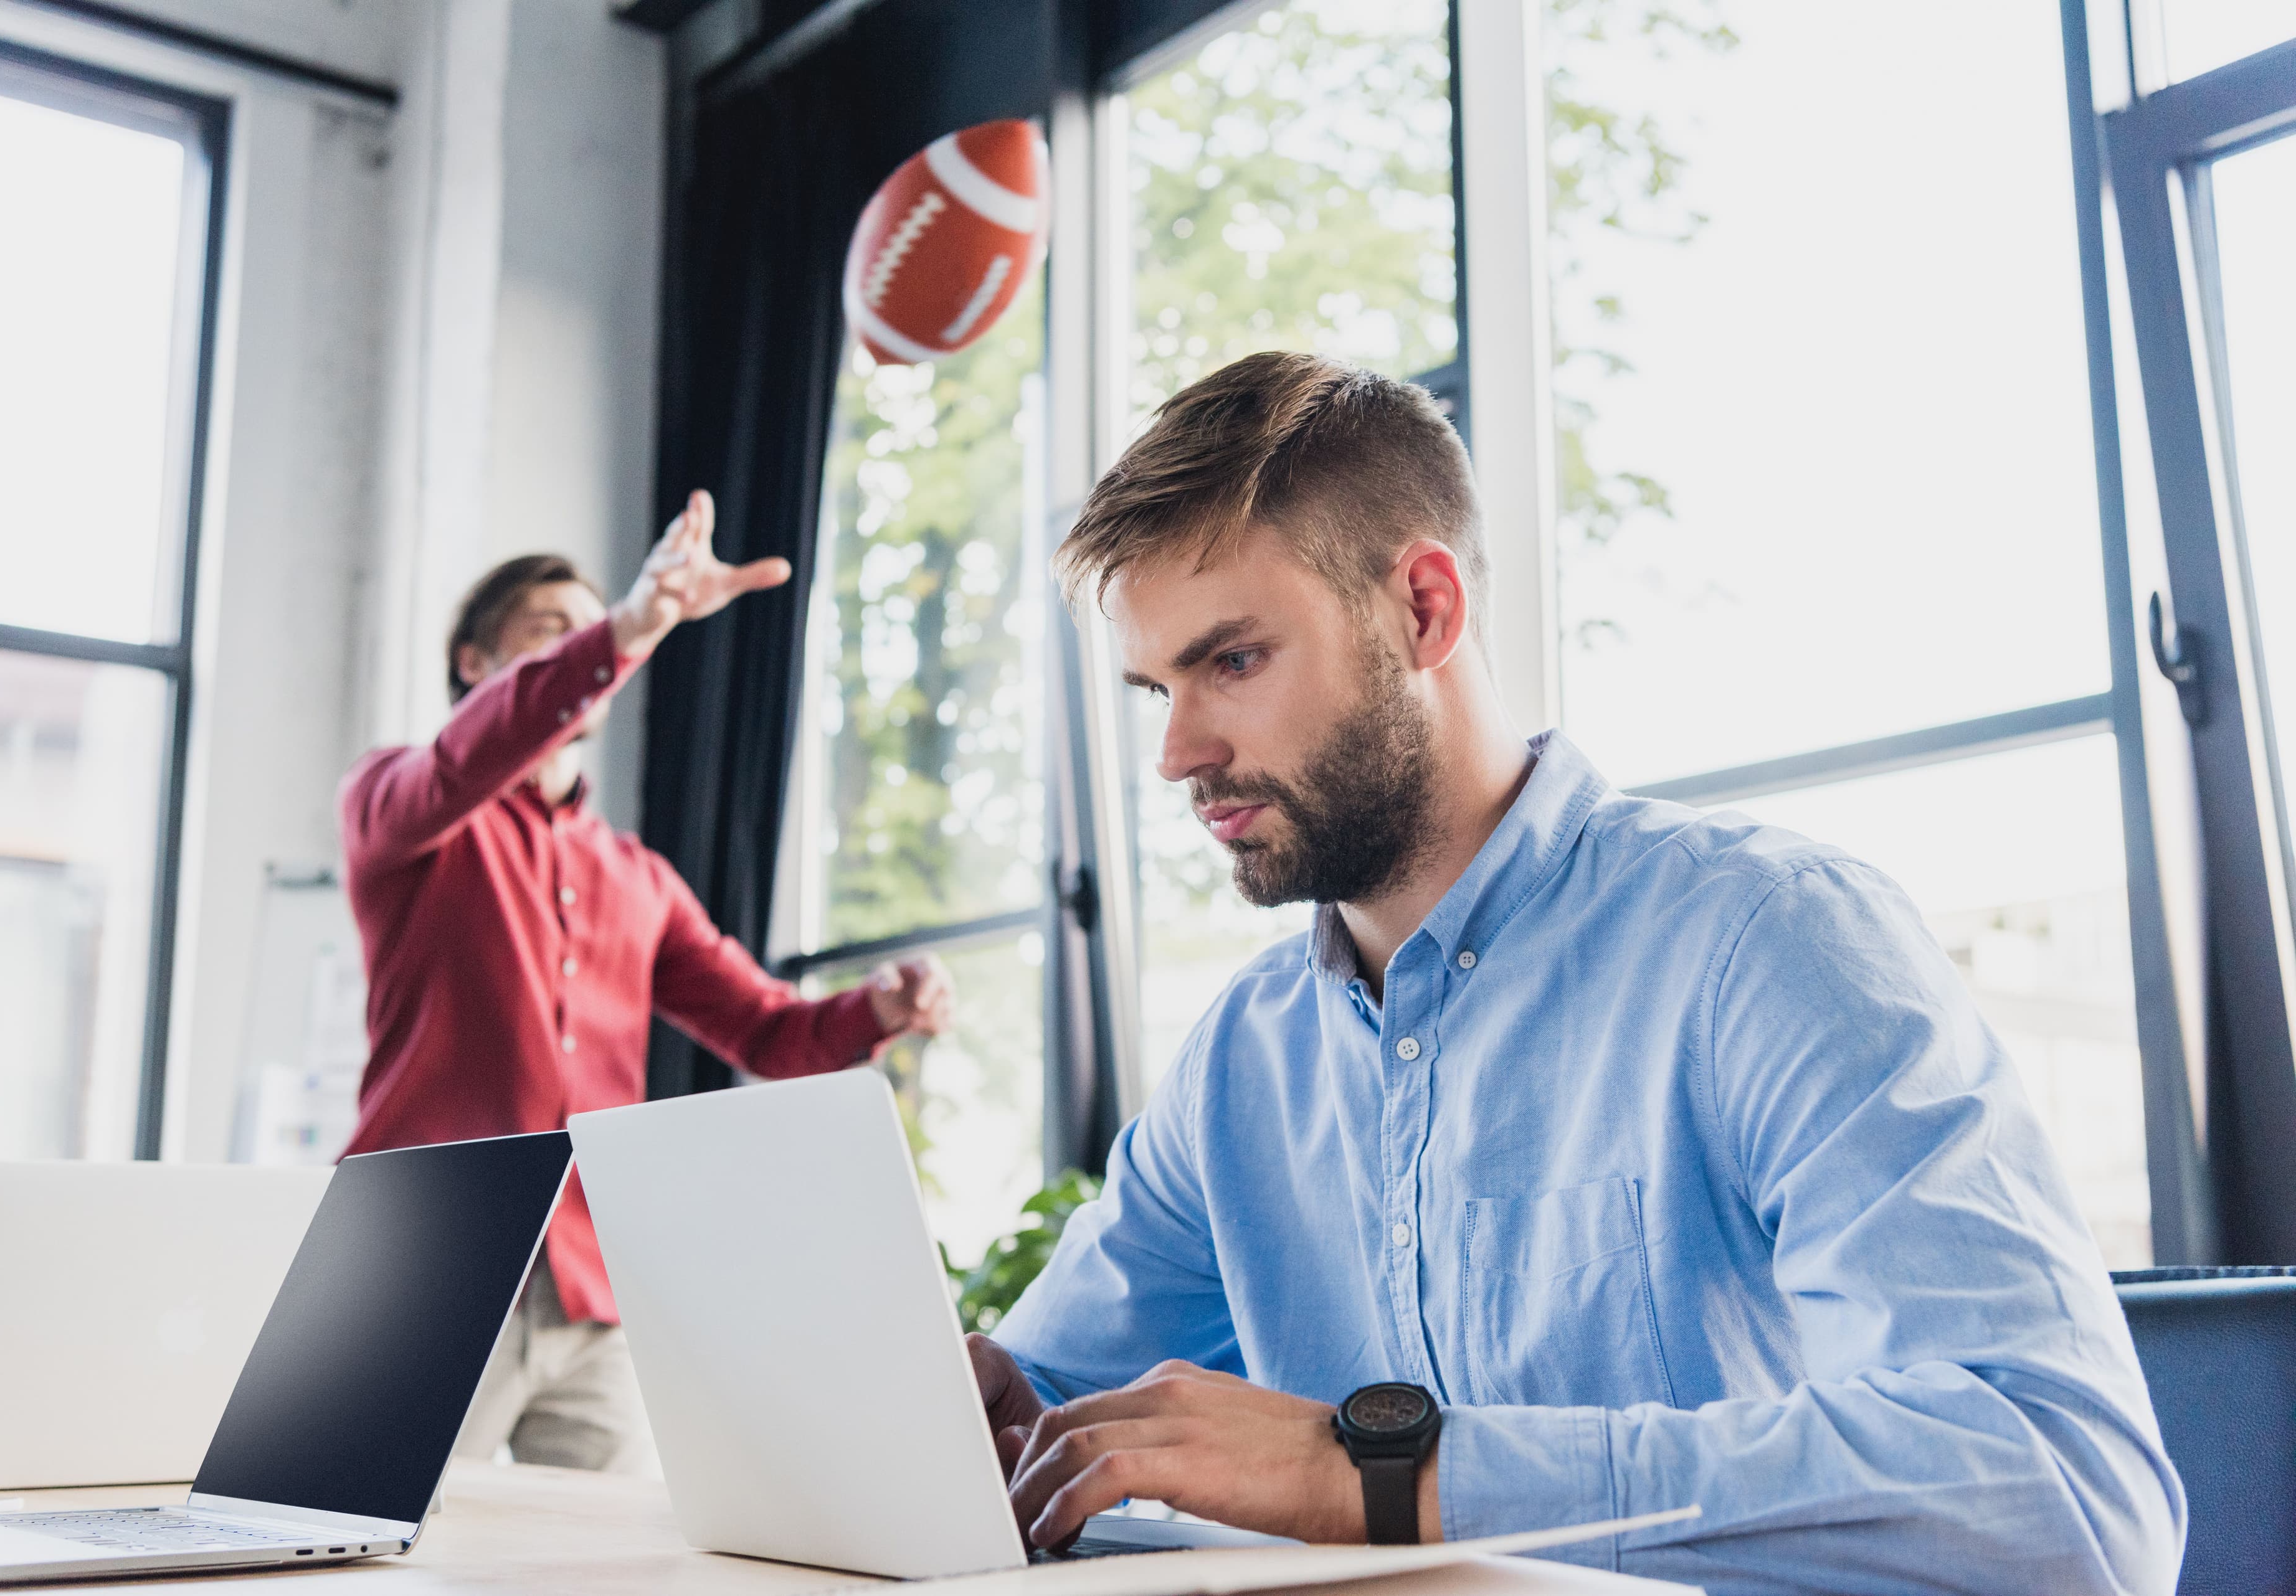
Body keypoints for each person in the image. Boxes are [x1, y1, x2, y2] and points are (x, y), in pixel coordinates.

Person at [967, 353, 2183, 1593]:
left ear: (1424, 612)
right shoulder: (1242, 1061)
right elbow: (1049, 1402)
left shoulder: (1767, 940)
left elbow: (2066, 1494)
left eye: (1231, 662)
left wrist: (1384, 1475)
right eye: (1156, 687)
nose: (1176, 753)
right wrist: (965, 1413)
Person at [340, 491, 954, 1472]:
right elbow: (465, 759)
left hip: (592, 1288)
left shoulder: (639, 879)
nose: (590, 649)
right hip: (419, 1270)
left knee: (613, 1565)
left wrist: (877, 1008)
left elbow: (766, 1033)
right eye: (555, 633)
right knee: (359, 1553)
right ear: (475, 662)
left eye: (600, 634)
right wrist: (625, 627)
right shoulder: (396, 803)